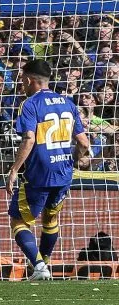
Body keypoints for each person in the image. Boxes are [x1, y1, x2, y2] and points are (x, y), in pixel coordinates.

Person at [6, 60, 91, 281]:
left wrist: (14, 169)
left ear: (28, 80)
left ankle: (39, 266)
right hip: (63, 172)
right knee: (50, 219)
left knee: (19, 220)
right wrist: (72, 161)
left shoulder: (30, 104)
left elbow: (29, 137)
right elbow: (83, 143)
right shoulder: (68, 104)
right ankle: (42, 264)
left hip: (39, 172)